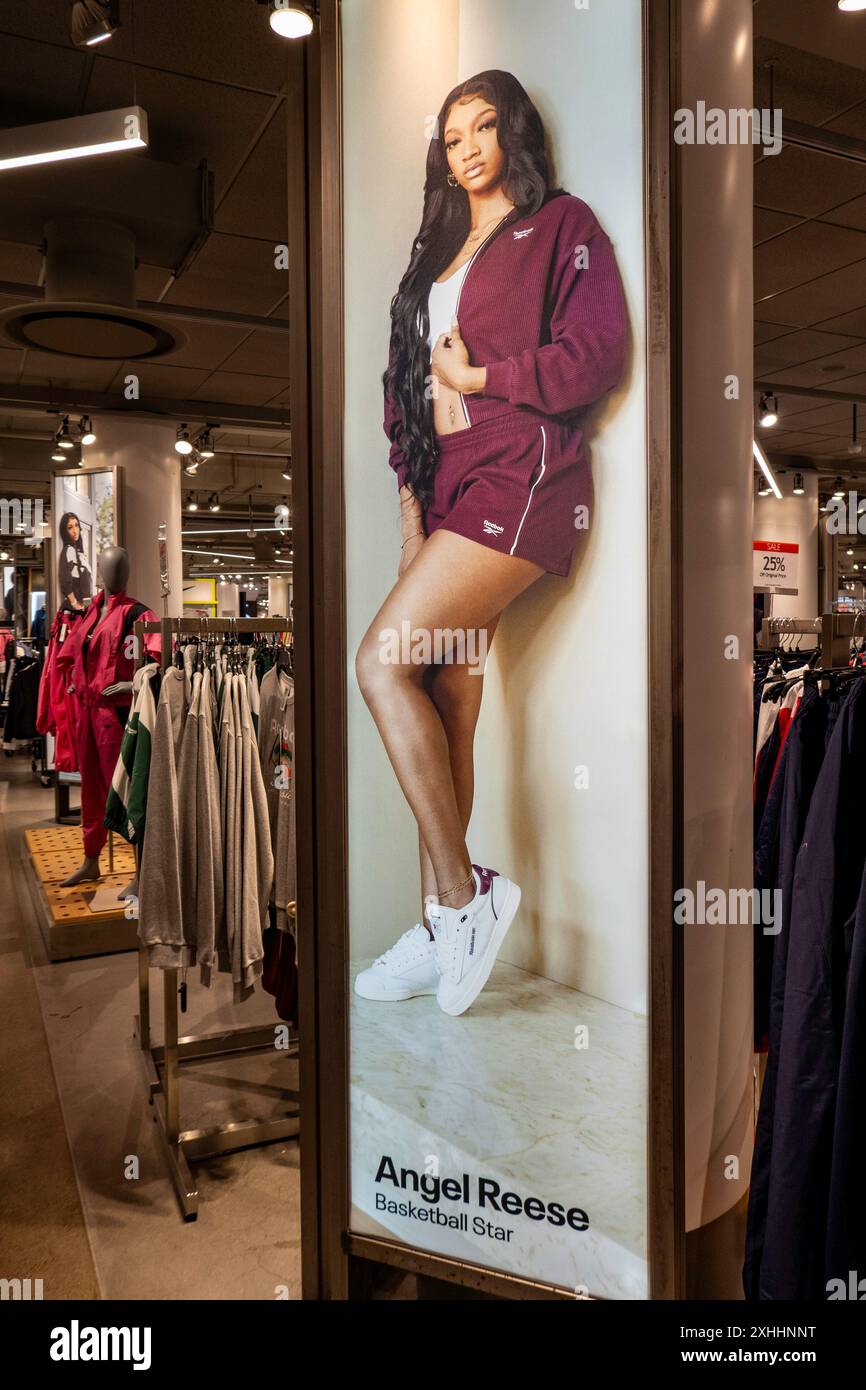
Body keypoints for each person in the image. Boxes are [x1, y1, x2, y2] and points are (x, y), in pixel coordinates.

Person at [354, 69, 628, 1016]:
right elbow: (404, 396)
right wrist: (410, 520)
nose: (465, 147)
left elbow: (602, 352)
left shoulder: (562, 227)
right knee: (448, 692)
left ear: (512, 133)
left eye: (482, 127)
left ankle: (462, 903)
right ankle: (444, 922)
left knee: (381, 665)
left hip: (522, 475)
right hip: (450, 484)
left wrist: (491, 372)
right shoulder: (438, 249)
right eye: (450, 134)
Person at [57, 512, 93, 612]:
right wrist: (74, 603)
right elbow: (65, 580)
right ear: (65, 531)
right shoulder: (69, 550)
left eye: (76, 525)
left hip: (84, 608)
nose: (75, 531)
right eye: (70, 527)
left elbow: (86, 586)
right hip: (75, 611)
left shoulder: (79, 553)